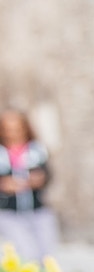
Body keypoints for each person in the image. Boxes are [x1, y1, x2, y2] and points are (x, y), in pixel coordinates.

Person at [0, 109, 58, 261]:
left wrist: (39, 179)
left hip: (37, 209)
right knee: (27, 253)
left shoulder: (36, 149)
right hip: (10, 212)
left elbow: (48, 174)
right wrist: (4, 185)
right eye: (8, 129)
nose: (12, 133)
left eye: (17, 129)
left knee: (47, 255)